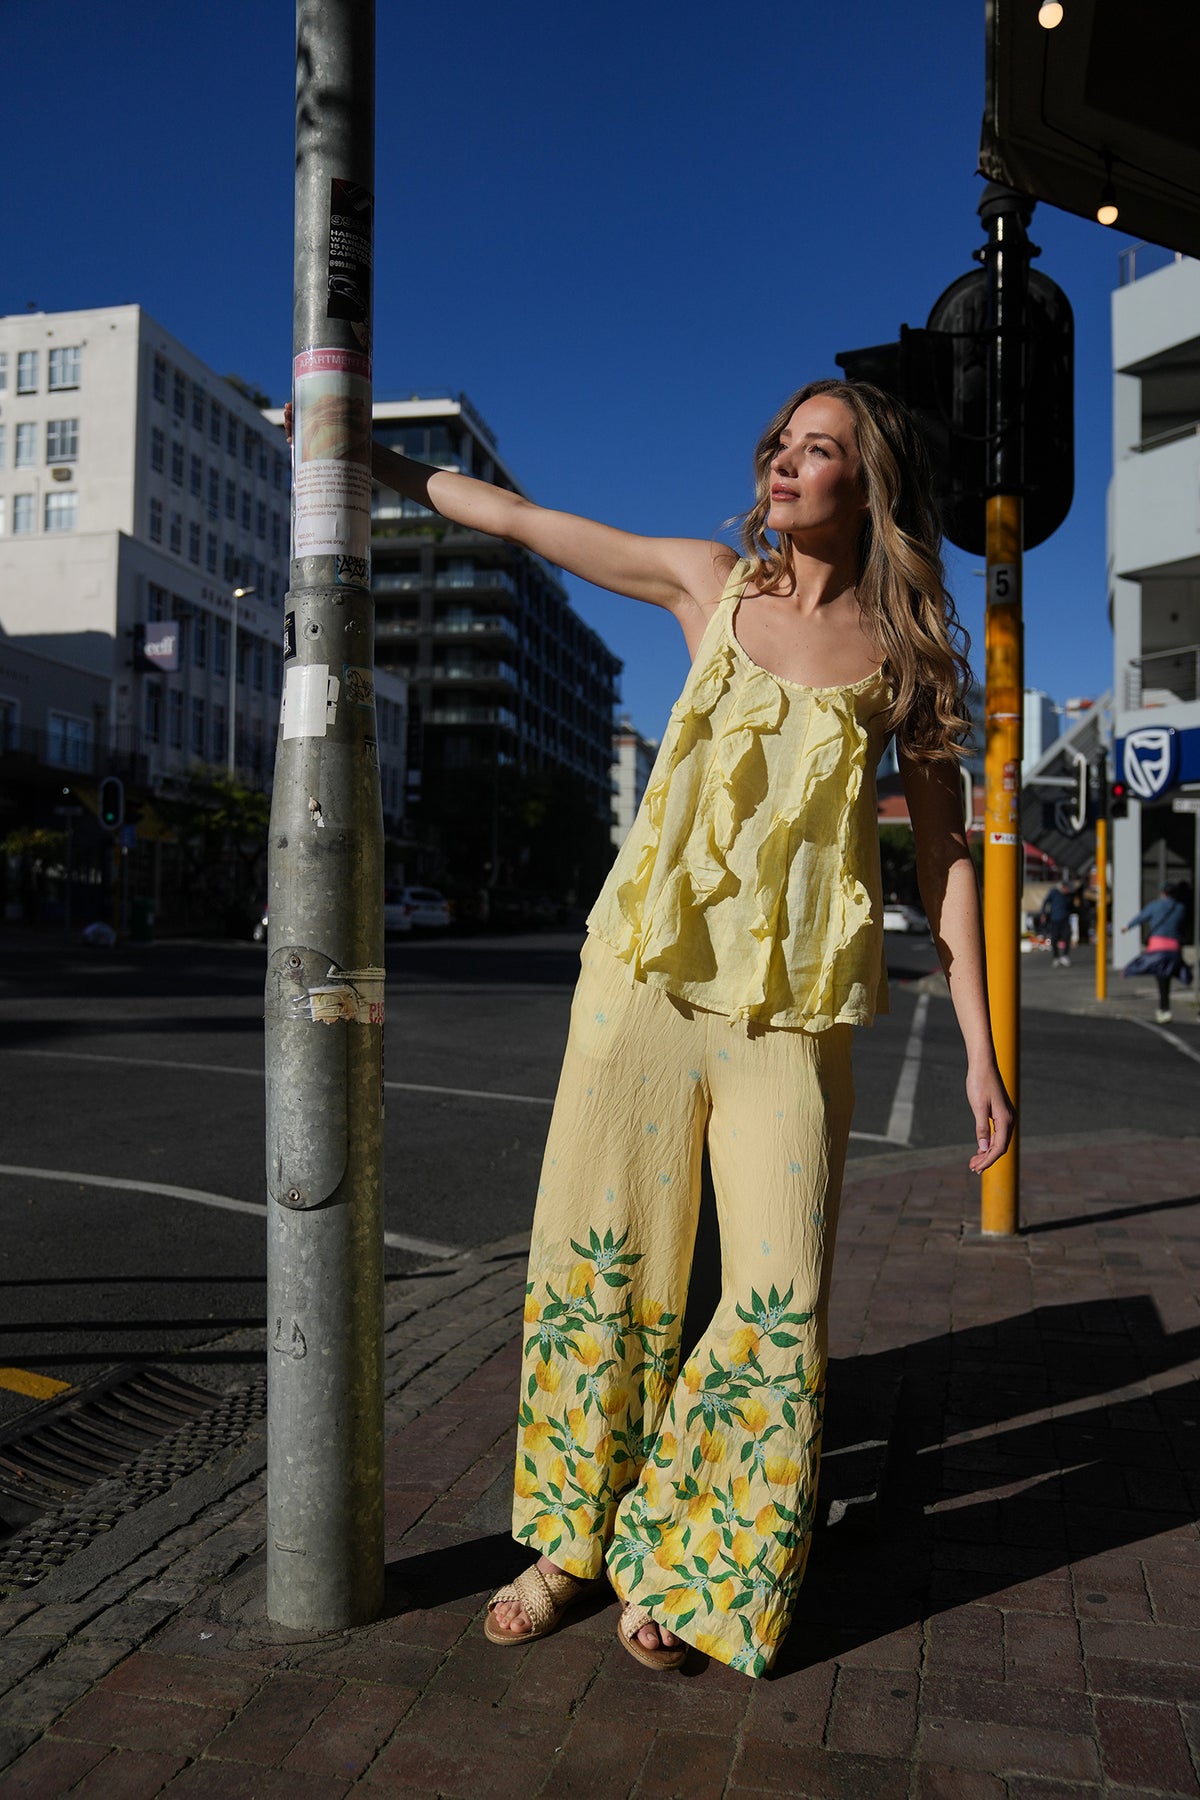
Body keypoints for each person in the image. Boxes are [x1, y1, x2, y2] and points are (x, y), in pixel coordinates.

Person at [302, 379, 1014, 1676]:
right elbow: (519, 522)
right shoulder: (707, 583)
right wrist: (382, 471)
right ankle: (574, 1547)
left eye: (823, 451)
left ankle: (694, 1554)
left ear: (871, 489)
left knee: (780, 1303)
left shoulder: (905, 661)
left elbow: (945, 864)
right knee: (604, 1274)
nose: (789, 464)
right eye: (782, 445)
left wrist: (978, 1045)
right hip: (641, 990)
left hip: (791, 1022)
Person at [1122, 881, 1192, 1023]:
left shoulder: (1155, 905)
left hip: (1157, 948)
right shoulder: (1180, 908)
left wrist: (1127, 927)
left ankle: (1164, 1010)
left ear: (1163, 893)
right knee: (1174, 972)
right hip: (1174, 949)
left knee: (1160, 977)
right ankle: (1185, 981)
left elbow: (1141, 917)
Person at [1040, 878, 1076, 967]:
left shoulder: (1069, 896)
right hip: (1055, 919)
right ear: (1063, 887)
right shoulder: (1054, 892)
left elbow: (1071, 906)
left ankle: (1065, 956)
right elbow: (1045, 902)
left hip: (1065, 919)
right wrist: (1043, 913)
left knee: (1067, 936)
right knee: (1054, 938)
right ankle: (1056, 957)